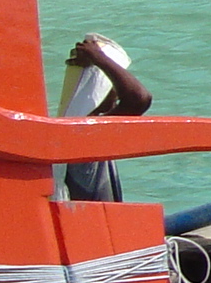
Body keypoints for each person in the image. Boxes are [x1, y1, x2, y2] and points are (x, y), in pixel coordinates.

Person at [58, 35, 152, 202]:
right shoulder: (85, 133)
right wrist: (98, 58)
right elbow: (139, 99)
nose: (116, 96)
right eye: (112, 88)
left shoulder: (70, 128)